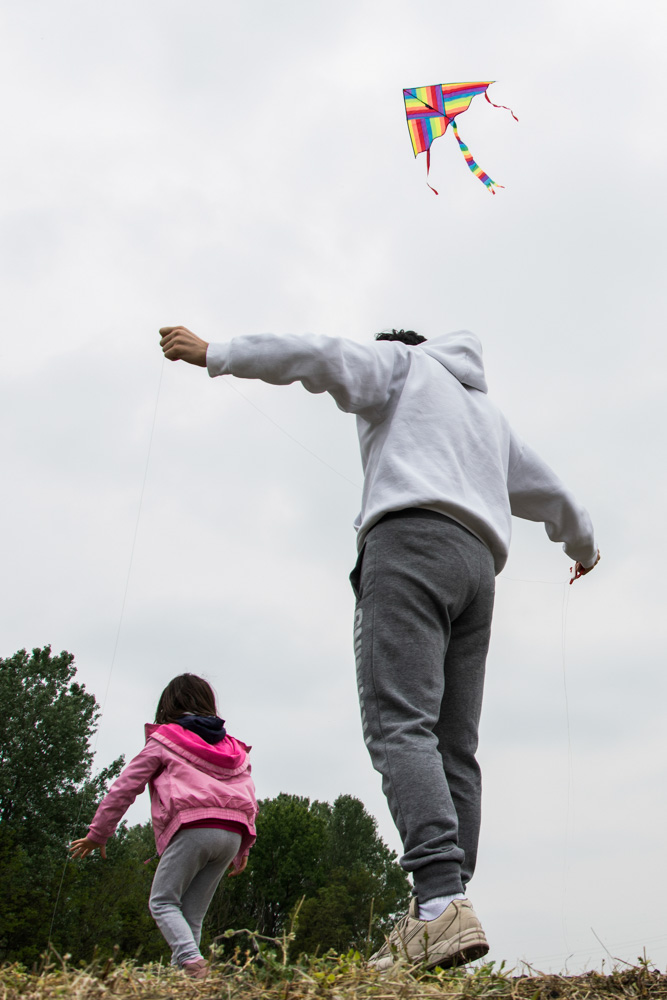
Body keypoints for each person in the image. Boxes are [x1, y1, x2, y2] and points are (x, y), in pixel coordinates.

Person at [158, 324, 599, 970]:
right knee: (454, 744)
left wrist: (216, 354)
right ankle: (442, 906)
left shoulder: (401, 366)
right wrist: (583, 546)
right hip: (477, 568)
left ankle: (439, 900)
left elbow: (320, 356)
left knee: (401, 726)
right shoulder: (486, 415)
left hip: (411, 544)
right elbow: (549, 490)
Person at [70, 673, 257, 979]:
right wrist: (245, 844)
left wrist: (99, 833)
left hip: (195, 826)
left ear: (168, 704)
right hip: (233, 833)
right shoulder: (233, 747)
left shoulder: (165, 739)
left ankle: (191, 963)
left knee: (162, 901)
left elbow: (125, 786)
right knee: (191, 915)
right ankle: (184, 981)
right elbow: (248, 793)